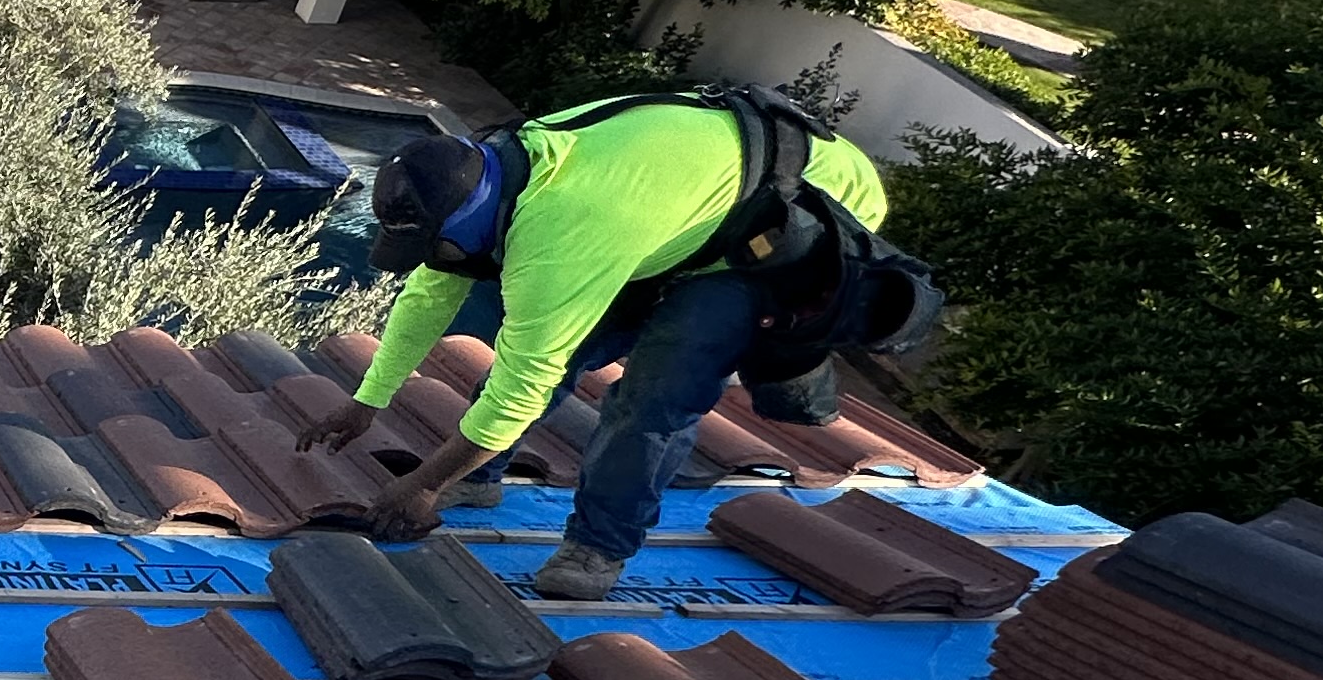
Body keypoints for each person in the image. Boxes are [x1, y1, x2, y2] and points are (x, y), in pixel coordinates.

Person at [299, 88, 903, 601]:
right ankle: (480, 478)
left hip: (792, 206)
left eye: (443, 247)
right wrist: (366, 401)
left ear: (469, 225)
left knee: (656, 390)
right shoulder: (477, 174)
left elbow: (524, 382)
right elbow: (430, 295)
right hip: (670, 204)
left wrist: (425, 483)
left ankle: (597, 547)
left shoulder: (559, 234)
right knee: (544, 343)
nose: (442, 261)